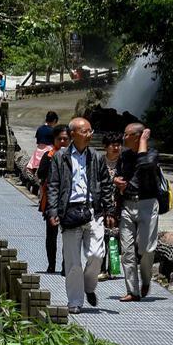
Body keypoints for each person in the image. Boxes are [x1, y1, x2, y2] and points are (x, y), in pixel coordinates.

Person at [46, 117, 115, 314]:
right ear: (73, 134)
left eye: (91, 131)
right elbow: (53, 185)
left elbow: (106, 184)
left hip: (93, 211)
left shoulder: (96, 156)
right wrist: (52, 211)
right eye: (85, 131)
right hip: (69, 212)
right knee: (73, 261)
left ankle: (89, 287)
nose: (90, 134)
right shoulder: (60, 157)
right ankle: (75, 301)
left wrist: (109, 209)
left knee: (96, 255)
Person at [114, 124, 160, 302]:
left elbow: (145, 165)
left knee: (147, 249)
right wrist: (116, 180)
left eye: (126, 135)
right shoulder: (124, 156)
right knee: (127, 251)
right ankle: (133, 291)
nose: (123, 138)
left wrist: (143, 143)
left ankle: (146, 279)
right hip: (127, 204)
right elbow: (118, 174)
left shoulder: (152, 154)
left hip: (147, 204)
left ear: (137, 136)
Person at [37, 124, 70, 274]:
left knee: (68, 236)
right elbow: (40, 174)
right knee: (51, 235)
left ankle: (65, 265)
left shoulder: (73, 156)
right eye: (59, 139)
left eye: (65, 139)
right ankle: (51, 264)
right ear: (54, 140)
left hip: (69, 202)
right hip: (51, 200)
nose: (62, 142)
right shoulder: (48, 156)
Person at [99, 132, 123, 280]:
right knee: (101, 237)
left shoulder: (124, 162)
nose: (116, 147)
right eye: (113, 145)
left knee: (115, 236)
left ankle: (113, 268)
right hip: (101, 205)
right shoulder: (99, 161)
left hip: (119, 204)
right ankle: (101, 268)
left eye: (118, 144)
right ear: (105, 147)